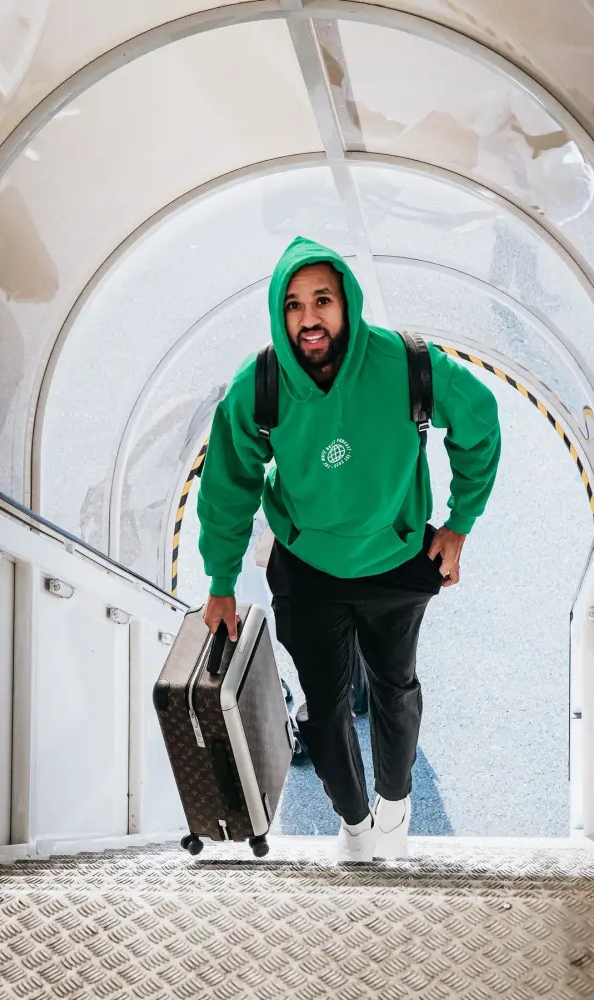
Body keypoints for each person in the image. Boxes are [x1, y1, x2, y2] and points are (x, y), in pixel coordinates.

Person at [197, 237, 501, 862]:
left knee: (395, 688)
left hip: (395, 561)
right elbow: (227, 488)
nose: (309, 318)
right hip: (308, 570)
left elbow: (480, 422)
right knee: (326, 704)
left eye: (323, 300)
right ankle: (355, 819)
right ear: (280, 317)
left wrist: (459, 524)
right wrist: (222, 581)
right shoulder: (259, 387)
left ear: (346, 303)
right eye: (293, 305)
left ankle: (395, 801)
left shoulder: (407, 365)